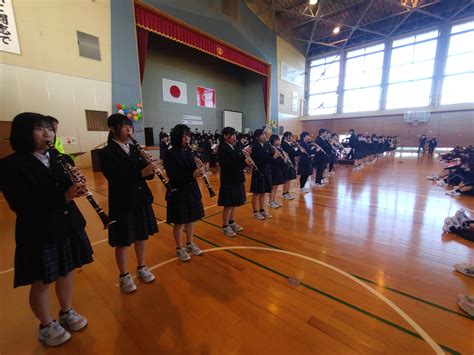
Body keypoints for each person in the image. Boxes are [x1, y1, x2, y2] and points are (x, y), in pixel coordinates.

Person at [0, 113, 93, 346]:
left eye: (49, 129)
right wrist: (63, 196)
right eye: (39, 129)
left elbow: (68, 189)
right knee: (41, 281)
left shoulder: (60, 157)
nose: (47, 133)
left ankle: (66, 310)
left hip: (67, 224)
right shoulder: (11, 165)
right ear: (23, 132)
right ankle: (46, 325)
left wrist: (77, 187)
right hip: (39, 230)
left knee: (67, 271)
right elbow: (20, 204)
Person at [99, 114, 158, 293]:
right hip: (122, 201)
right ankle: (124, 275)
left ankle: (141, 267)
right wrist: (140, 173)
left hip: (141, 199)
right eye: (124, 126)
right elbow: (115, 178)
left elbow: (146, 175)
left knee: (142, 236)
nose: (129, 130)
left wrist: (150, 169)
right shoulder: (106, 152)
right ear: (112, 128)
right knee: (123, 242)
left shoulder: (134, 148)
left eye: (130, 126)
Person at [164, 124, 204, 261]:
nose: (187, 138)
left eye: (188, 135)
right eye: (184, 135)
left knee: (191, 219)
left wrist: (200, 168)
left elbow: (193, 169)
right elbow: (173, 175)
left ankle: (190, 243)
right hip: (178, 192)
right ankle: (179, 248)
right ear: (177, 137)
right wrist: (193, 174)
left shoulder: (189, 151)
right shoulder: (170, 153)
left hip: (191, 190)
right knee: (179, 222)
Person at [217, 127, 252, 237]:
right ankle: (225, 226)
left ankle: (231, 222)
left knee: (234, 203)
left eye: (235, 135)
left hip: (237, 178)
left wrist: (246, 158)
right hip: (229, 179)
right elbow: (228, 165)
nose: (235, 137)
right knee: (228, 204)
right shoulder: (223, 148)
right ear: (226, 136)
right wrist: (245, 163)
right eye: (232, 135)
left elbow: (240, 158)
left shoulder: (235, 146)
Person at [249, 129, 274, 220]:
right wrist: (272, 157)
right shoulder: (254, 146)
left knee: (263, 192)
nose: (264, 136)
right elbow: (260, 159)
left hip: (266, 170)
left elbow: (271, 155)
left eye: (264, 134)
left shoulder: (267, 144)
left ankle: (262, 210)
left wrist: (274, 155)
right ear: (257, 137)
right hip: (258, 171)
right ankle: (255, 212)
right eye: (262, 135)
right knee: (256, 193)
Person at [268, 134, 287, 208]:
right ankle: (270, 201)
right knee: (272, 186)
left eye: (279, 140)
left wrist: (284, 159)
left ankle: (273, 200)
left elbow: (280, 158)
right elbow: (270, 160)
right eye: (277, 140)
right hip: (272, 169)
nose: (278, 141)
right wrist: (276, 156)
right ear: (273, 140)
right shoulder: (270, 148)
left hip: (278, 168)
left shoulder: (278, 149)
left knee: (276, 186)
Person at [281, 131, 298, 199]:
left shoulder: (288, 143)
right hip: (287, 164)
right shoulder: (284, 144)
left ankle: (287, 192)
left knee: (289, 179)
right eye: (290, 136)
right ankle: (284, 193)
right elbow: (292, 153)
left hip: (291, 163)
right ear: (286, 137)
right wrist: (299, 151)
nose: (291, 138)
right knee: (286, 179)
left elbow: (293, 153)